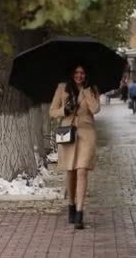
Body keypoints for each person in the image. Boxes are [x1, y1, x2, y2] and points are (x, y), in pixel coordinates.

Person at [49, 64, 100, 229]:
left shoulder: (92, 89)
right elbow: (52, 111)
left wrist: (86, 93)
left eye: (83, 73)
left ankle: (79, 211)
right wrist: (64, 110)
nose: (79, 75)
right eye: (77, 72)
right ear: (72, 73)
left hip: (86, 133)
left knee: (82, 170)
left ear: (86, 75)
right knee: (70, 171)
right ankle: (71, 204)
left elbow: (96, 109)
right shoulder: (62, 88)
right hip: (68, 133)